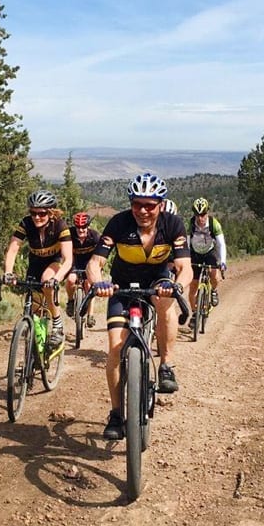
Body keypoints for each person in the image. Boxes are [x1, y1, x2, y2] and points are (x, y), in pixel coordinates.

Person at [86, 172, 191, 440]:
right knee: (114, 348)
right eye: (137, 204)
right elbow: (95, 263)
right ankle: (116, 414)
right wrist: (98, 283)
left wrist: (177, 285)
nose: (143, 211)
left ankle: (166, 365)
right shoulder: (119, 223)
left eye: (150, 205)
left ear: (161, 204)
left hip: (158, 282)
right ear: (130, 203)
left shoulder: (173, 224)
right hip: (122, 286)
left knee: (166, 301)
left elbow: (184, 267)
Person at [2, 190, 73, 348]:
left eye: (41, 213)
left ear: (51, 213)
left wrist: (56, 279)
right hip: (34, 264)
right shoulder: (26, 223)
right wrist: (8, 272)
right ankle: (34, 356)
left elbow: (68, 259)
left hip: (54, 263)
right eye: (33, 213)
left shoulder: (60, 225)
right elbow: (13, 250)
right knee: (35, 310)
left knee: (47, 280)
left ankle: (57, 324)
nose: (36, 217)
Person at [187, 197, 227, 326]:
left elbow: (221, 244)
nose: (200, 218)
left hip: (209, 252)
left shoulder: (214, 223)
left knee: (214, 276)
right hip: (195, 253)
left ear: (207, 213)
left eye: (203, 214)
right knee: (192, 286)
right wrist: (186, 259)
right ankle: (194, 313)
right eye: (198, 215)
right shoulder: (192, 223)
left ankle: (214, 291)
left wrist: (223, 261)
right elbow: (188, 241)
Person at [65, 211, 101, 328]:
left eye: (84, 227)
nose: (81, 230)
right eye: (78, 228)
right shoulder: (69, 234)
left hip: (89, 264)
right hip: (74, 263)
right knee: (71, 280)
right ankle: (70, 301)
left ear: (88, 226)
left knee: (90, 286)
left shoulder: (94, 236)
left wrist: (97, 268)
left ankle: (90, 315)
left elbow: (101, 254)